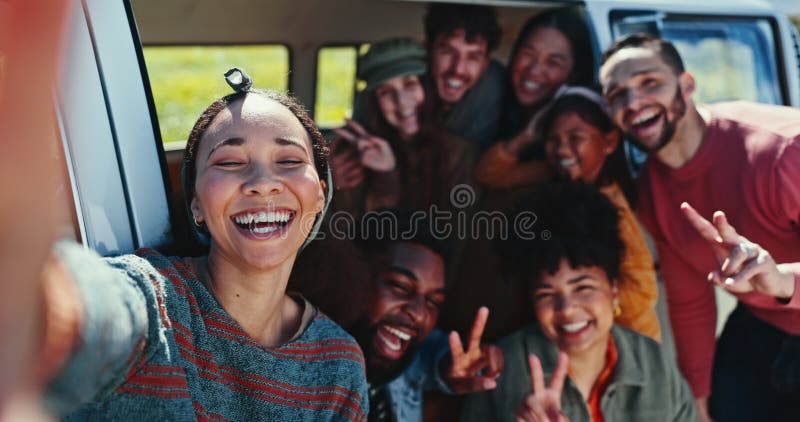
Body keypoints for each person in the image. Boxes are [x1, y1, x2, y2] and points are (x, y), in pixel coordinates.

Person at [36, 70, 369, 420]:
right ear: (196, 202)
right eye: (229, 162)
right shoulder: (154, 305)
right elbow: (78, 304)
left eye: (288, 161)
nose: (263, 183)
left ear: (320, 194)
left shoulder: (339, 364)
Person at [599, 33, 800, 421]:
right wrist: (699, 402)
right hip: (760, 327)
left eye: (649, 82)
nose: (633, 101)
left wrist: (782, 281)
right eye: (617, 94)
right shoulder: (651, 189)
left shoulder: (784, 151)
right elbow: (691, 301)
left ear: (687, 84)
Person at [460, 181, 695, 422]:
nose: (567, 309)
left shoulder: (654, 362)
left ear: (614, 289)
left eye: (583, 288)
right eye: (547, 294)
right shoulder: (501, 371)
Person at [346, 209, 503, 421]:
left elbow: (434, 351)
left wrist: (450, 364)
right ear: (354, 276)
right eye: (400, 287)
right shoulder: (297, 371)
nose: (419, 314)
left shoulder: (406, 359)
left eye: (433, 302)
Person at [331, 38, 476, 217]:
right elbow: (345, 230)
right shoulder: (354, 155)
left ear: (427, 87)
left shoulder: (460, 153)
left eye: (410, 84)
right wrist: (332, 185)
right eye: (386, 92)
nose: (401, 103)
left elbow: (455, 232)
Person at [474, 7, 593, 188]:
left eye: (553, 63)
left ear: (574, 75)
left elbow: (487, 176)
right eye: (528, 54)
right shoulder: (492, 94)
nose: (534, 71)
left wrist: (524, 139)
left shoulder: (570, 139)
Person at [422, 3, 505, 149]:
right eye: (448, 52)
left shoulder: (497, 89)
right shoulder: (404, 88)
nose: (458, 69)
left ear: (485, 64)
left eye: (473, 57)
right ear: (429, 51)